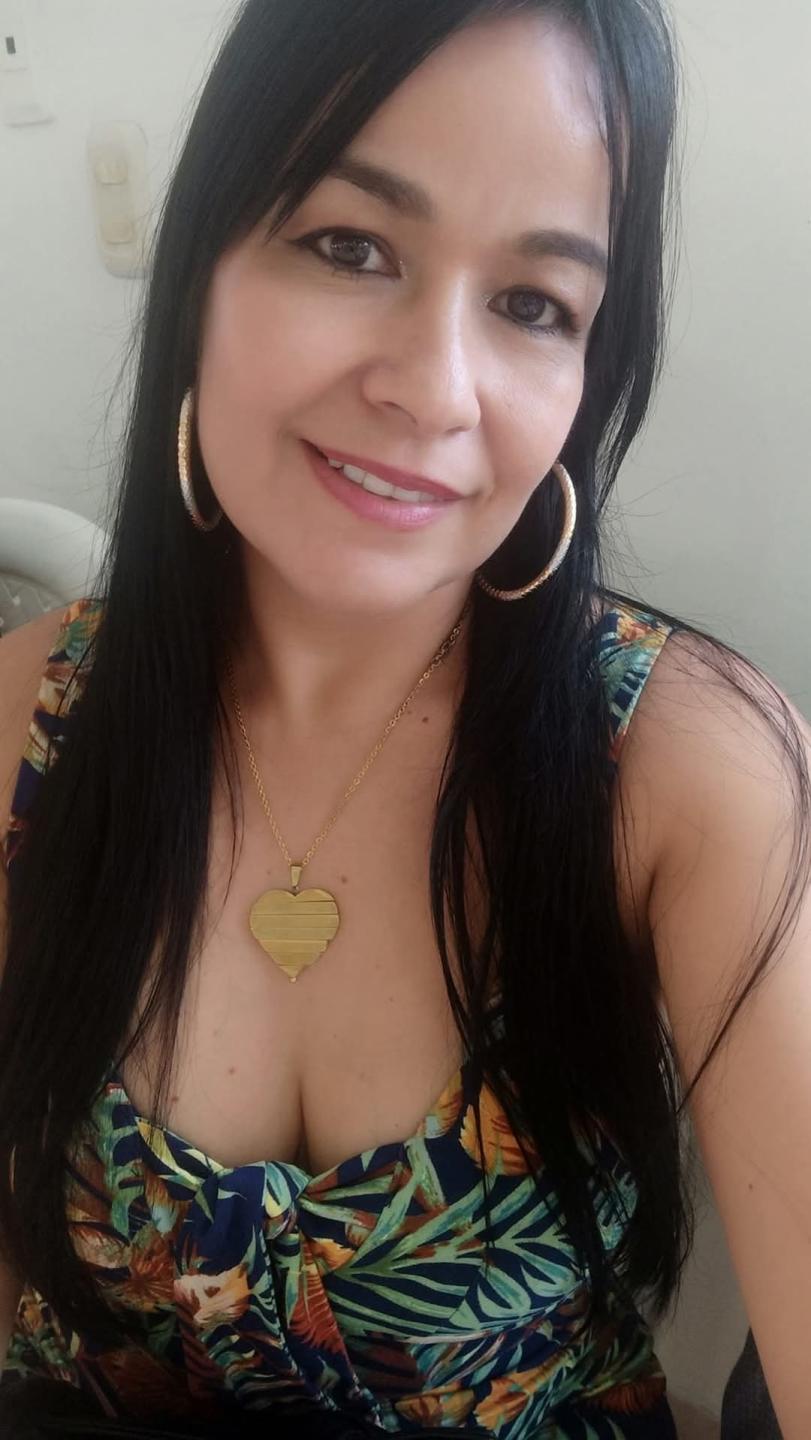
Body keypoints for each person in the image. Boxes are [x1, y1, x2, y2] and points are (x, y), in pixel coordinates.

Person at [0, 0, 808, 1434]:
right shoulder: (25, 722)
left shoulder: (691, 769)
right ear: (202, 269)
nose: (436, 391)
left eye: (534, 304)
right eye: (350, 246)